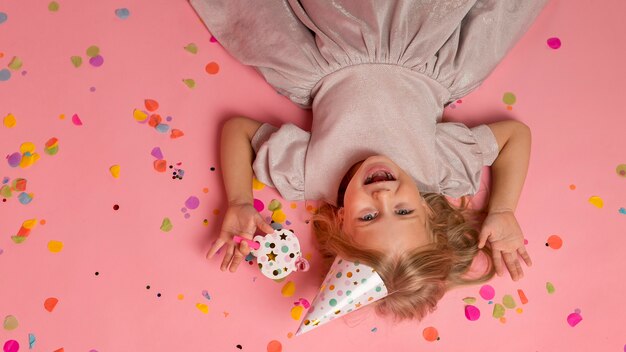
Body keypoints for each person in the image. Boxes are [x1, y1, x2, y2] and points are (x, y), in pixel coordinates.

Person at [191, 0, 547, 322]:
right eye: (404, 211)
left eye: (369, 217)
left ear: (343, 221)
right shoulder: (439, 169)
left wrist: (238, 201)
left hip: (334, 39)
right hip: (423, 39)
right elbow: (515, 137)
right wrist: (502, 209)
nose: (383, 196)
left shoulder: (309, 175)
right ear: (429, 212)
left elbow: (239, 130)